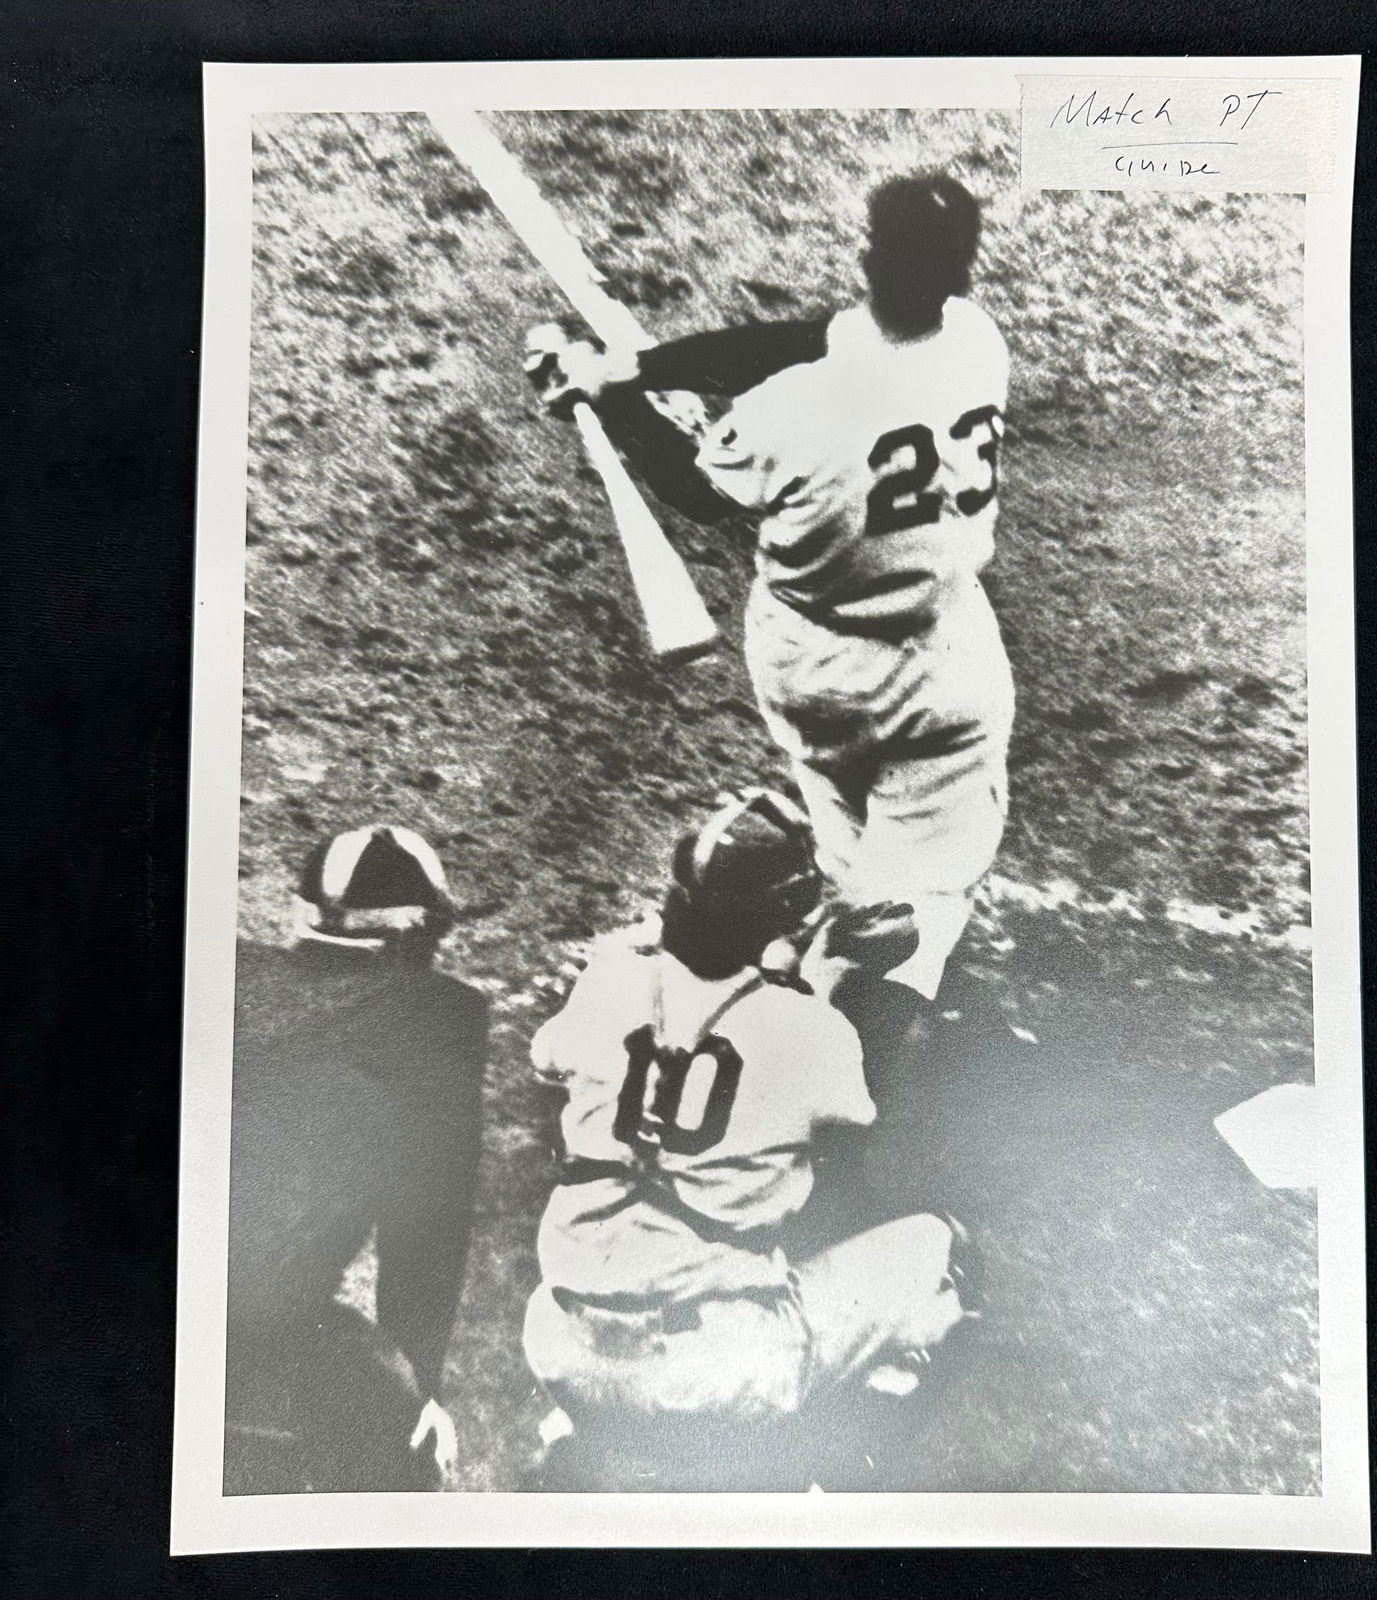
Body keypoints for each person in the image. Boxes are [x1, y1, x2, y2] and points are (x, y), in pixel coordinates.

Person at [527, 172, 1014, 1081]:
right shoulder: (980, 344)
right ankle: (852, 1084)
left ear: (867, 255)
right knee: (920, 904)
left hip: (809, 667)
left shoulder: (793, 408)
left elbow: (692, 487)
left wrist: (605, 396)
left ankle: (805, 988)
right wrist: (632, 368)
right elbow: (809, 342)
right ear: (963, 271)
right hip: (946, 661)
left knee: (843, 835)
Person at [520, 789, 980, 1487]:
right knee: (942, 1250)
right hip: (713, 1374)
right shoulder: (807, 1032)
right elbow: (849, 1111)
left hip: (562, 1351)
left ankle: (584, 1427)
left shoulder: (611, 976)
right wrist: (820, 972)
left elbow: (548, 1057)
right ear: (783, 923)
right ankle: (835, 1474)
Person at [223, 825, 491, 1494]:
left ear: (306, 911)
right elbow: (428, 1233)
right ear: (420, 933)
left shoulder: (228, 970)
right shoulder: (439, 1015)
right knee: (409, 1456)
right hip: (261, 1320)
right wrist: (419, 1386)